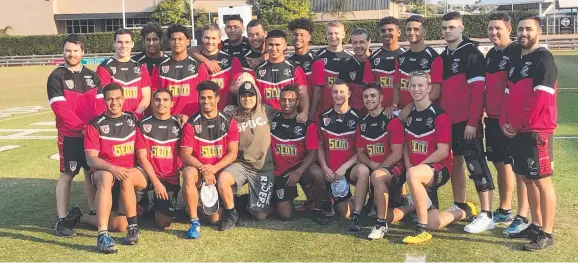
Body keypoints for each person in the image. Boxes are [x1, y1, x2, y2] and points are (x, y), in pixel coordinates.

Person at [501, 15, 558, 251]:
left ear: (539, 32)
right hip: (517, 131)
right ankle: (535, 225)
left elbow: (541, 98)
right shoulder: (516, 60)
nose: (524, 33)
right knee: (527, 179)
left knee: (542, 182)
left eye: (529, 29)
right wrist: (506, 122)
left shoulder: (544, 59)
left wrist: (519, 124)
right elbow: (507, 94)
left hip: (536, 130)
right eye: (521, 28)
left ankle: (547, 232)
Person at [402, 71, 469, 244]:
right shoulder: (408, 115)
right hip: (419, 172)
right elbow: (406, 147)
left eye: (420, 85)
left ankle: (421, 229)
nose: (416, 89)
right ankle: (464, 212)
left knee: (413, 175)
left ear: (429, 88)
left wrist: (416, 169)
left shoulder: (439, 115)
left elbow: (443, 151)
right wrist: (411, 168)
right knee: (434, 222)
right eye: (413, 85)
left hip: (439, 167)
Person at [47, 34, 101, 237]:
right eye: (68, 50)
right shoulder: (56, 76)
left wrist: (94, 129)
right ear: (63, 51)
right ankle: (62, 219)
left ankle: (94, 211)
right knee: (67, 175)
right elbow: (60, 108)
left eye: (76, 50)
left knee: (90, 173)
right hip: (69, 135)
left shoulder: (93, 76)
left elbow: (100, 104)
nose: (72, 54)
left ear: (83, 52)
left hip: (90, 136)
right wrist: (82, 127)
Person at [84, 83, 148, 253]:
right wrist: (113, 168)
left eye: (118, 98)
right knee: (106, 177)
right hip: (105, 174)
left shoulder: (132, 119)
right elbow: (91, 159)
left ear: (123, 99)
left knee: (120, 224)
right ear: (104, 100)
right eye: (110, 99)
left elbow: (142, 156)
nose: (114, 102)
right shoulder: (95, 124)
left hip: (128, 174)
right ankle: (102, 235)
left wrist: (155, 181)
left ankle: (132, 226)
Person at [484, 12, 529, 235]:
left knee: (519, 168)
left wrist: (513, 120)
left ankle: (522, 215)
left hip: (510, 122)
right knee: (501, 164)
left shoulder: (516, 53)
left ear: (509, 29)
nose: (493, 32)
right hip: (492, 120)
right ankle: (505, 209)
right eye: (490, 28)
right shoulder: (491, 54)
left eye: (498, 28)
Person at [439, 12, 484, 223]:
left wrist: (473, 122)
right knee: (456, 163)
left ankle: (486, 212)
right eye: (445, 28)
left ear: (461, 27)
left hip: (467, 123)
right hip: (448, 123)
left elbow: (478, 91)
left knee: (475, 165)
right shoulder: (443, 56)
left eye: (452, 27)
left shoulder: (472, 54)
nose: (448, 31)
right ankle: (460, 203)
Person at [180, 80, 239, 238]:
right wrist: (204, 169)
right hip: (200, 171)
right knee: (188, 172)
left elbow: (233, 153)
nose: (206, 101)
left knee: (214, 220)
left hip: (218, 172)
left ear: (217, 98)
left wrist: (214, 168)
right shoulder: (191, 124)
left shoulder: (229, 121)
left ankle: (198, 203)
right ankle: (194, 221)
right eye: (202, 98)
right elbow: (185, 154)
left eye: (209, 97)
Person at [219, 74, 278, 230]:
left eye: (250, 96)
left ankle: (242, 201)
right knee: (223, 179)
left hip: (263, 169)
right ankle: (230, 213)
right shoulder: (232, 115)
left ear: (257, 96)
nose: (247, 99)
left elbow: (288, 112)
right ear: (239, 98)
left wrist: (302, 114)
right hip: (242, 165)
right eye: (243, 96)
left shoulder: (268, 111)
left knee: (260, 215)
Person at [351, 83, 405, 238]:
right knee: (389, 214)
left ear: (381, 98)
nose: (369, 99)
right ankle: (411, 208)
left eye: (373, 96)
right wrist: (372, 165)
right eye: (366, 96)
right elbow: (360, 153)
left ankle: (381, 225)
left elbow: (397, 153)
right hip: (377, 170)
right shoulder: (362, 124)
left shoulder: (392, 121)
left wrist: (380, 168)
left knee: (376, 176)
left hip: (394, 168)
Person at [270, 84, 327, 222]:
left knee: (318, 174)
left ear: (297, 102)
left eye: (291, 100)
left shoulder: (307, 124)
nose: (287, 103)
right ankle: (280, 200)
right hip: (281, 171)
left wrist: (299, 172)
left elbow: (313, 153)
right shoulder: (272, 120)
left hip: (302, 167)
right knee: (286, 216)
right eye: (283, 100)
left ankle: (319, 208)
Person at [134, 89, 183, 230]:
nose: (161, 103)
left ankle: (155, 206)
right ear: (152, 102)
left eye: (165, 100)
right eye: (157, 100)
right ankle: (141, 202)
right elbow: (142, 158)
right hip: (147, 176)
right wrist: (156, 182)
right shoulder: (142, 125)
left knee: (164, 223)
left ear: (172, 103)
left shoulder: (180, 125)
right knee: (127, 213)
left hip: (169, 178)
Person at [318, 79, 361, 219]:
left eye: (342, 92)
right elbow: (320, 147)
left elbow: (362, 149)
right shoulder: (324, 117)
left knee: (364, 172)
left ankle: (362, 206)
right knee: (346, 214)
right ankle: (333, 199)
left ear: (349, 94)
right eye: (335, 91)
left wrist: (345, 167)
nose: (338, 95)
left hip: (350, 167)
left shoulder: (358, 117)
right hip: (333, 171)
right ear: (331, 93)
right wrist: (325, 168)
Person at [151, 24, 209, 116]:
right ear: (169, 42)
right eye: (173, 39)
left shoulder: (199, 66)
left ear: (188, 42)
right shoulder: (160, 67)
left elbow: (206, 95)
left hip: (192, 120)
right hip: (168, 120)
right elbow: (154, 97)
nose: (176, 42)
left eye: (180, 39)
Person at [252, 30, 310, 120]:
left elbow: (303, 94)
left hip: (288, 118)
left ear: (285, 46)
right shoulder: (257, 70)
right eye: (270, 44)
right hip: (265, 119)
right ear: (266, 46)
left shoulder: (294, 69)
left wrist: (304, 113)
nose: (274, 48)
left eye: (277, 45)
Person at [396, 15, 443, 120]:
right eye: (409, 29)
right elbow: (397, 87)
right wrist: (395, 106)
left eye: (416, 29)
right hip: (403, 115)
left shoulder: (434, 58)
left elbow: (435, 92)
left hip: (425, 115)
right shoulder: (400, 58)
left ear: (424, 32)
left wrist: (411, 105)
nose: (412, 32)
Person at [97, 29, 151, 119]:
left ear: (132, 44)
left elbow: (146, 98)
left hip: (136, 120)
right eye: (119, 42)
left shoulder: (141, 68)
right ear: (114, 44)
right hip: (114, 120)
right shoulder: (104, 68)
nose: (123, 46)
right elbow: (105, 99)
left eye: (127, 42)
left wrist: (135, 115)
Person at [194, 23, 243, 110]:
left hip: (226, 113)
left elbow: (239, 90)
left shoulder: (232, 61)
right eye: (207, 38)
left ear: (219, 39)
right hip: (201, 114)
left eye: (213, 38)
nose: (210, 42)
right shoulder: (194, 61)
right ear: (202, 38)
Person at [363, 16, 406, 112]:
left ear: (399, 32)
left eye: (390, 30)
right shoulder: (372, 59)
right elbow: (369, 89)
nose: (386, 33)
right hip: (379, 113)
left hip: (404, 112)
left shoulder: (407, 57)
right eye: (383, 31)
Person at [286, 18, 326, 121]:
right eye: (295, 34)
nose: (298, 38)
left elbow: (317, 92)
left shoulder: (316, 61)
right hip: (292, 114)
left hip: (310, 115)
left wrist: (310, 116)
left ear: (309, 37)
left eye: (302, 35)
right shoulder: (288, 61)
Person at [316, 21, 353, 113]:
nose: (333, 37)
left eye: (336, 33)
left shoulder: (350, 58)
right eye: (330, 33)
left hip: (344, 111)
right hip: (323, 110)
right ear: (326, 35)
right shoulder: (317, 57)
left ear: (343, 35)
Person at [339, 28, 372, 112]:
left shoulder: (377, 62)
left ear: (369, 42)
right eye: (355, 42)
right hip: (355, 113)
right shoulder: (345, 65)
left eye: (361, 42)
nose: (358, 46)